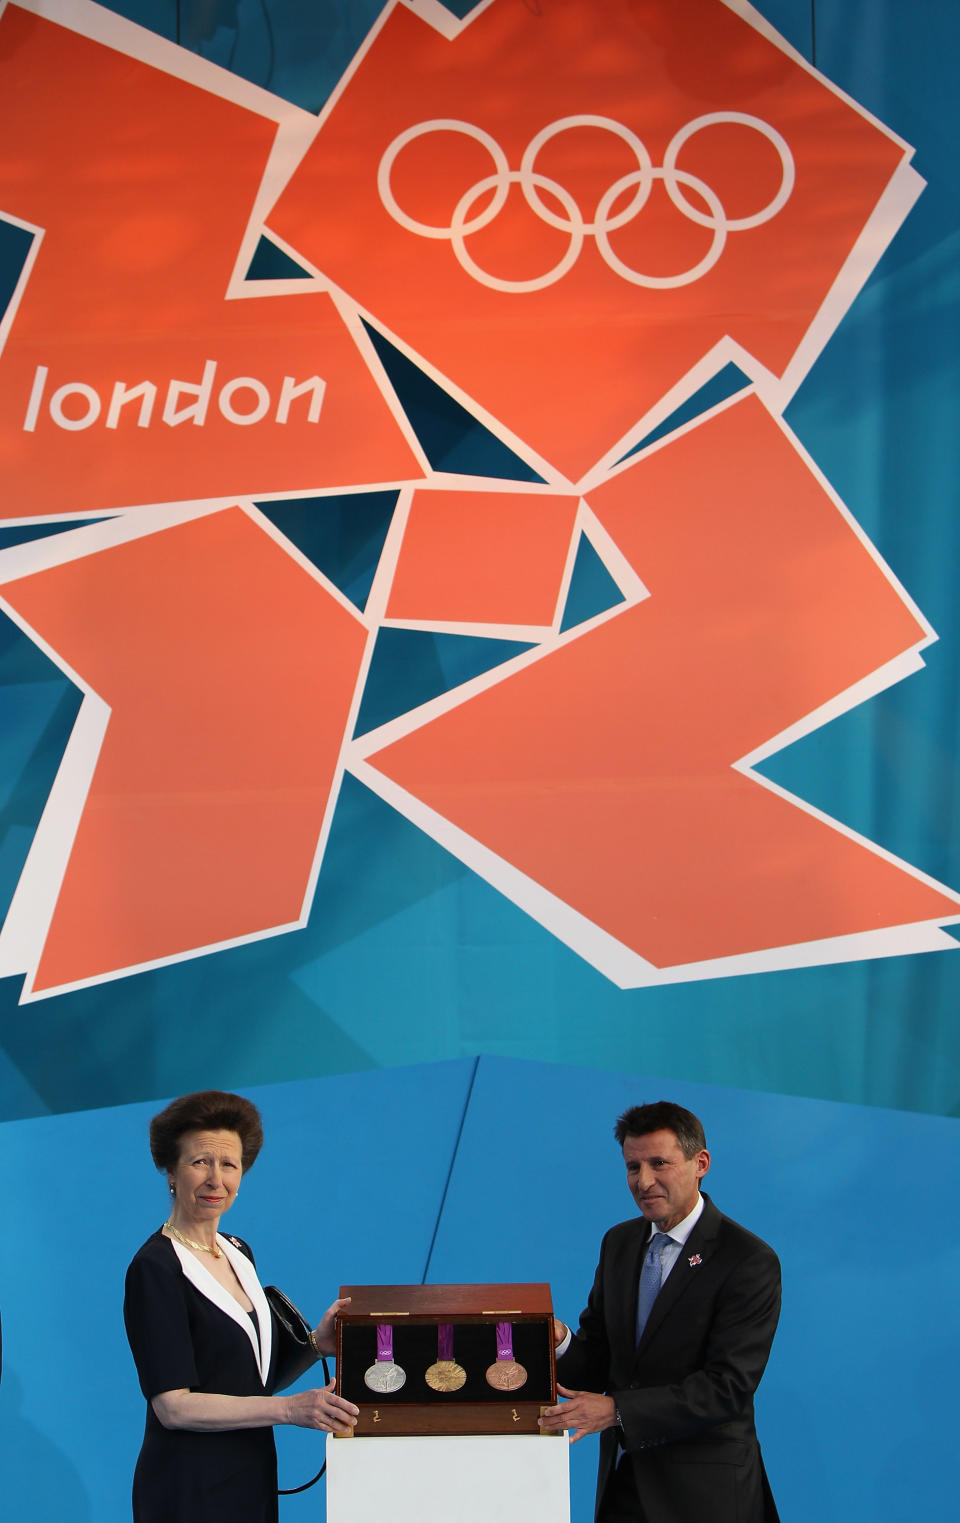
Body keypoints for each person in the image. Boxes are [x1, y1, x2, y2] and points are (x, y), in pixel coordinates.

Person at [124, 1089, 359, 1522]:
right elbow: (173, 1406)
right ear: (170, 1171)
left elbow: (247, 1380)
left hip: (249, 1474)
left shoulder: (237, 1252)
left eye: (229, 1164)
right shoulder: (154, 1267)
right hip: (186, 1488)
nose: (216, 1179)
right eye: (200, 1162)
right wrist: (290, 1409)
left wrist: (313, 1346)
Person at [539, 1101, 780, 1523]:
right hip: (623, 1488)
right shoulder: (619, 1243)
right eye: (633, 1167)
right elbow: (599, 1363)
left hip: (706, 1498)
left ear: (700, 1162)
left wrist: (616, 1410)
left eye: (659, 1163)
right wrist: (559, 1342)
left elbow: (727, 1388)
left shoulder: (747, 1259)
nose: (643, 1181)